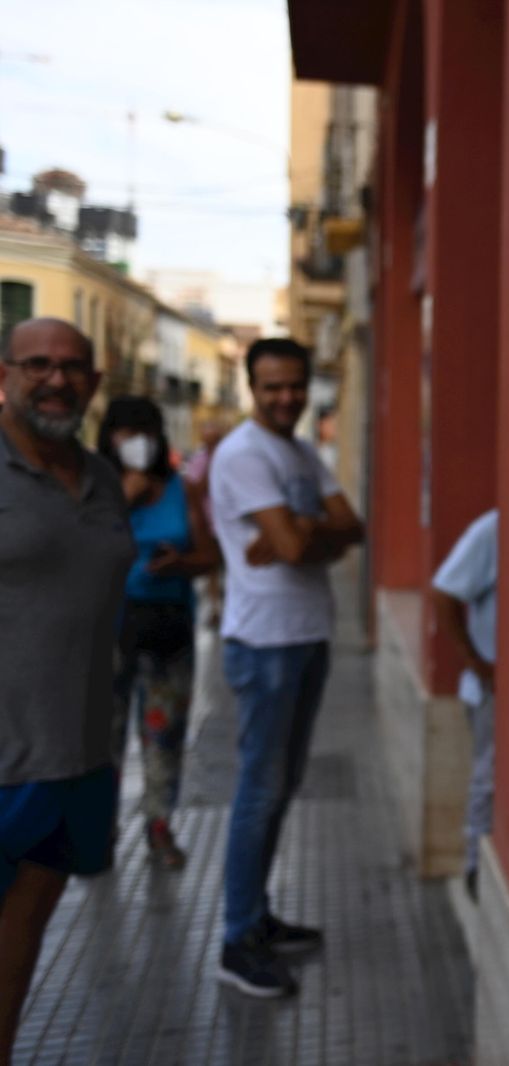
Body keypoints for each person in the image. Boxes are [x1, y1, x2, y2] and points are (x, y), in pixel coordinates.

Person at [209, 337, 364, 998]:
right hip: (264, 642)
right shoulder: (244, 454)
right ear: (252, 387)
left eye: (295, 385)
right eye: (272, 386)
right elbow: (301, 546)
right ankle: (236, 939)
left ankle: (257, 916)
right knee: (260, 789)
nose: (286, 397)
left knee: (280, 786)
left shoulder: (298, 452)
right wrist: (303, 535)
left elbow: (353, 528)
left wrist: (299, 533)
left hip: (306, 634)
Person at [0, 319, 135, 1063]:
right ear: (5, 374)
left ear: (94, 382)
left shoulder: (103, 478)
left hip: (75, 754)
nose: (56, 380)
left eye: (73, 367)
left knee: (19, 948)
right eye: (37, 365)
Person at [97, 397, 221, 869]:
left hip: (168, 628)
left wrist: (181, 563)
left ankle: (159, 827)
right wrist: (121, 500)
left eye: (145, 432)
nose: (137, 442)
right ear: (110, 438)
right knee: (101, 737)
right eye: (126, 433)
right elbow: (74, 555)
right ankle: (99, 832)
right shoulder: (94, 490)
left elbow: (211, 556)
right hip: (106, 630)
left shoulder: (180, 489)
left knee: (164, 735)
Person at [430, 509, 499, 900]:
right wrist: (477, 662)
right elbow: (444, 593)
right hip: (490, 689)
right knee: (488, 779)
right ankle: (475, 868)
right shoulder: (492, 529)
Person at [183, 418, 227, 628]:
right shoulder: (198, 461)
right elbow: (197, 490)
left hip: (227, 521)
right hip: (208, 523)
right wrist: (211, 464)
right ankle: (215, 609)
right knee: (212, 569)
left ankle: (223, 606)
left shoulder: (229, 458)